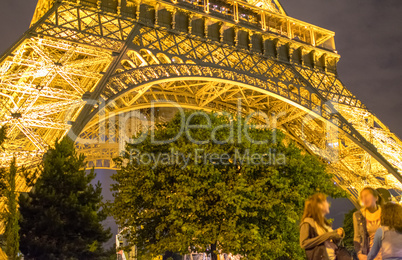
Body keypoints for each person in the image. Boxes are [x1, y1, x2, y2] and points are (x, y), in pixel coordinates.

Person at [300, 193, 345, 260]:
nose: (328, 204)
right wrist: (328, 235)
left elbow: (330, 243)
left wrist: (338, 235)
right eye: (326, 201)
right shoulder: (308, 222)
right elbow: (304, 243)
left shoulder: (325, 223)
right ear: (319, 205)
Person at [353, 187, 384, 260]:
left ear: (376, 198)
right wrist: (359, 254)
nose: (364, 199)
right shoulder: (358, 216)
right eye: (362, 197)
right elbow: (357, 237)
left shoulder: (386, 212)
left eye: (367, 195)